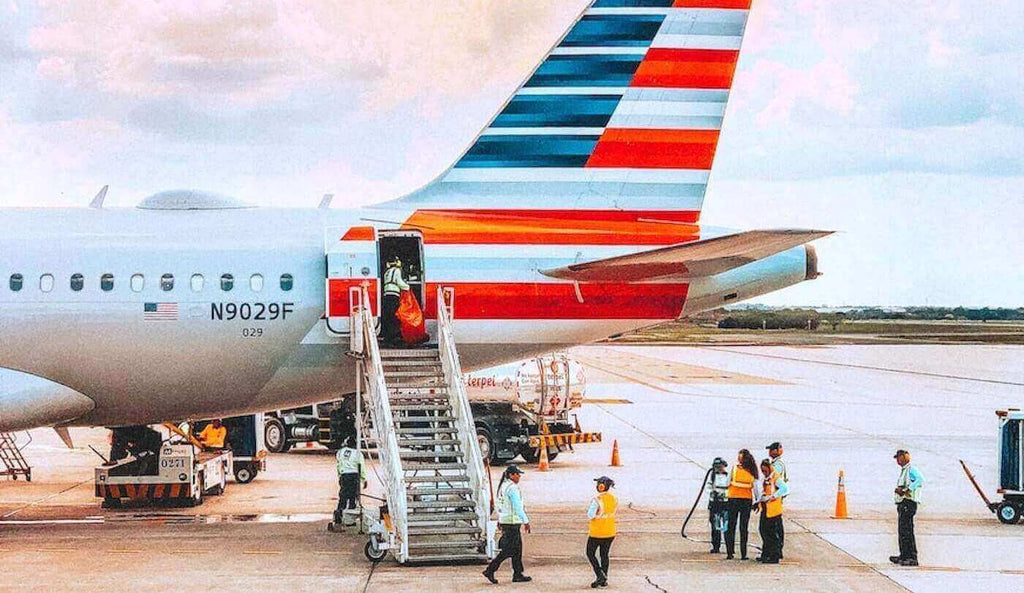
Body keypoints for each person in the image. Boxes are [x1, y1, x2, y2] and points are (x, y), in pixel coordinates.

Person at [484, 465, 532, 584]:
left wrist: (500, 519)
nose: (519, 476)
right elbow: (517, 507)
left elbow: (500, 506)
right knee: (510, 550)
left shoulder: (503, 487)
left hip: (506, 521)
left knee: (517, 549)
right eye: (517, 474)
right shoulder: (512, 488)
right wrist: (525, 520)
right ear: (511, 475)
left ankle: (517, 573)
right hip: (512, 522)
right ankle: (490, 569)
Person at [890, 449, 923, 567]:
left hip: (908, 503)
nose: (897, 461)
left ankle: (912, 557)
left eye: (899, 458)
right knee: (902, 531)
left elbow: (920, 480)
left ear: (904, 457)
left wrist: (906, 490)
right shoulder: (904, 470)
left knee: (908, 530)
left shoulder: (911, 469)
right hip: (902, 503)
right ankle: (903, 555)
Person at [724, 448, 759, 560]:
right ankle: (744, 554)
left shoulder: (734, 469)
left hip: (733, 499)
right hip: (746, 501)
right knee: (743, 528)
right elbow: (756, 489)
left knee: (731, 526)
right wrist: (757, 502)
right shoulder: (752, 471)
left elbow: (727, 483)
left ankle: (730, 552)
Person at [585, 476, 617, 588]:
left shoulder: (597, 500)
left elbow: (590, 515)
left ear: (601, 486)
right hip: (610, 531)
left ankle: (599, 574)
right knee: (604, 555)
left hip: (597, 532)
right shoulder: (614, 498)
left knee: (590, 553)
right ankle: (604, 579)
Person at [756, 458, 789, 564]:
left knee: (771, 533)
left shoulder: (775, 477)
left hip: (773, 510)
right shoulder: (767, 479)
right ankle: (766, 553)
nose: (764, 473)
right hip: (766, 508)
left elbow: (784, 488)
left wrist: (772, 496)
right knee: (763, 530)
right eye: (762, 471)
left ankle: (774, 555)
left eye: (765, 471)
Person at [333, 437, 367, 526]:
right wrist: (364, 479)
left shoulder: (340, 452)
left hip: (344, 475)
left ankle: (339, 514)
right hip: (353, 475)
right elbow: (361, 467)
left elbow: (338, 465)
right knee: (353, 497)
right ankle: (350, 520)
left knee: (343, 496)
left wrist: (339, 476)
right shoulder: (358, 453)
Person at [381, 256, 410, 347]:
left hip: (386, 295)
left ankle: (388, 337)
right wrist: (408, 287)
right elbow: (399, 282)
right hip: (394, 295)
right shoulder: (396, 271)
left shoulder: (387, 272)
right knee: (395, 317)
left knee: (388, 316)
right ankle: (394, 337)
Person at [767, 442, 788, 556]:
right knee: (775, 523)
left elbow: (775, 479)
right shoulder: (775, 463)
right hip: (775, 496)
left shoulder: (777, 464)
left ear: (776, 451)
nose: (769, 452)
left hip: (776, 497)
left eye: (771, 450)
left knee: (775, 523)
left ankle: (777, 549)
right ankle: (775, 549)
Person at [707, 457, 730, 554]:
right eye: (716, 467)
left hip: (725, 504)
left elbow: (731, 488)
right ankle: (716, 546)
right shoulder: (712, 476)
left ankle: (729, 546)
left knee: (726, 526)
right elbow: (708, 487)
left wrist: (725, 494)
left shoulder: (728, 476)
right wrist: (713, 493)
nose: (718, 469)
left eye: (720, 467)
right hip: (714, 504)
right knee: (715, 526)